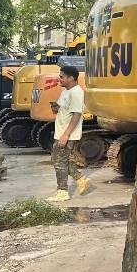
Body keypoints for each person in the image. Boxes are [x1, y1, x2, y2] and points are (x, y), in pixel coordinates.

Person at [46, 64, 92, 201]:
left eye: (62, 77)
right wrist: (56, 107)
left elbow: (77, 115)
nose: (59, 79)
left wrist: (66, 135)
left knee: (59, 162)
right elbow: (62, 109)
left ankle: (63, 192)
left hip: (67, 134)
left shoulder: (76, 93)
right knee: (59, 159)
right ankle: (80, 179)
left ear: (71, 78)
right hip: (61, 132)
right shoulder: (66, 91)